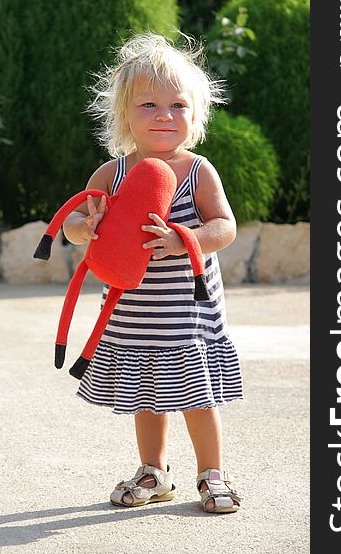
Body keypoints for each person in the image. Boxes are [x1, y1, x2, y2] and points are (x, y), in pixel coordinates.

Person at [63, 32, 243, 513]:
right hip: (135, 310)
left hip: (187, 311)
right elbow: (73, 227)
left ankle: (211, 474)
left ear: (195, 115)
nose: (164, 114)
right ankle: (154, 471)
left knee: (197, 397)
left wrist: (183, 238)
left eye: (177, 105)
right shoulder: (112, 174)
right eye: (148, 104)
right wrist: (89, 227)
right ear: (123, 115)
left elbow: (224, 227)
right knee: (148, 396)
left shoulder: (198, 170)